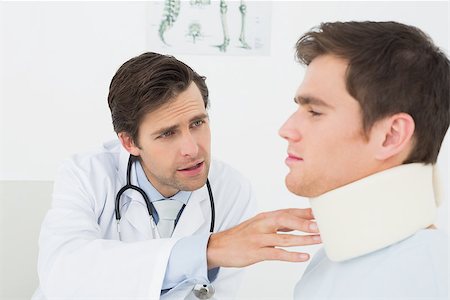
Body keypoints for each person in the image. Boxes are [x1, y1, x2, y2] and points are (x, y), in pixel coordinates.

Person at [32, 52, 321, 300]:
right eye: (168, 133)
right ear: (129, 143)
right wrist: (207, 250)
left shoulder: (230, 189)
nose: (192, 149)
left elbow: (219, 294)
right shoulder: (87, 175)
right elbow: (63, 274)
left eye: (197, 123)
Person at [279, 21, 449, 299]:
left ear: (391, 135)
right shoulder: (334, 258)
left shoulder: (422, 282)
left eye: (315, 112)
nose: (286, 129)